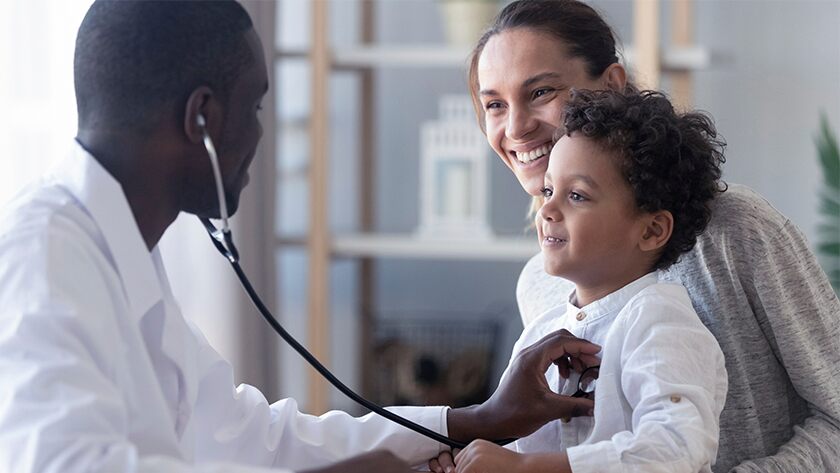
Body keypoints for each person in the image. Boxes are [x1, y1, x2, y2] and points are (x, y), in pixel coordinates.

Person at [0, 2, 603, 472]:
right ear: (203, 119)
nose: (261, 137)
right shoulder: (42, 255)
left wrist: (478, 418)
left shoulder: (122, 254)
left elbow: (253, 436)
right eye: (256, 108)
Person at [431, 1, 840, 472]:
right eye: (495, 105)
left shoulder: (736, 232)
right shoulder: (542, 284)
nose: (517, 127)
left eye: (541, 92)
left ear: (612, 86)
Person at [455, 87, 730, 472]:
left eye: (578, 196)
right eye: (549, 190)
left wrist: (524, 468)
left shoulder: (661, 326)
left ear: (651, 230)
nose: (547, 209)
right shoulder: (542, 332)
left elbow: (674, 449)